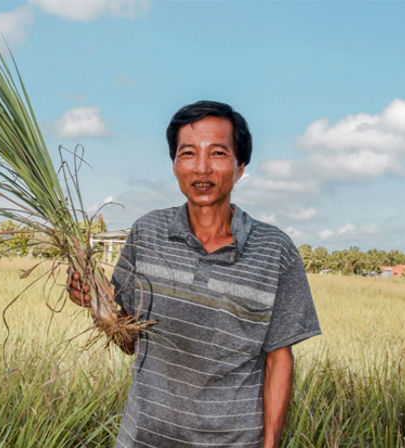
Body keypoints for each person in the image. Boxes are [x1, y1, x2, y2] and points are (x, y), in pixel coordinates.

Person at [69, 100, 321, 448]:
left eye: (218, 153)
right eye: (187, 153)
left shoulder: (274, 249)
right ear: (174, 164)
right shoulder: (147, 233)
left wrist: (271, 444)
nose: (202, 168)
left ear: (240, 167)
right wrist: (96, 303)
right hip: (143, 439)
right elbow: (130, 343)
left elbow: (279, 359)